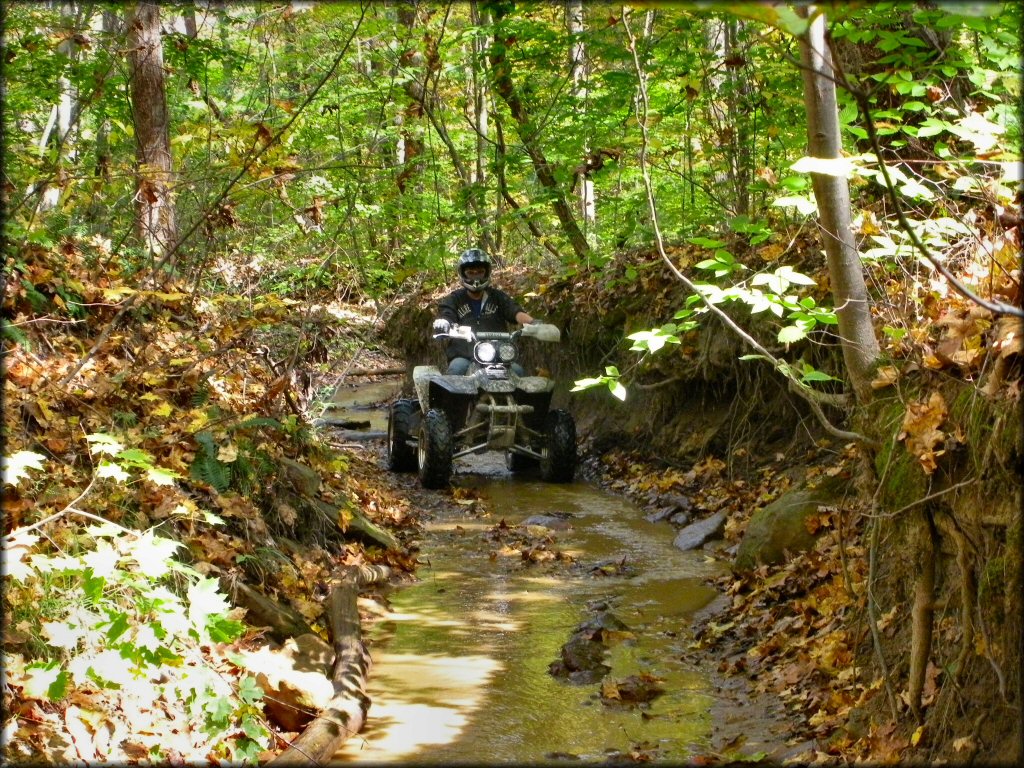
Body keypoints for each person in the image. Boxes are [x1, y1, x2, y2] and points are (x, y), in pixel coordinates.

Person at [432, 248, 534, 375]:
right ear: (463, 274)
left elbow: (514, 311)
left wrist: (534, 323)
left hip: (499, 357)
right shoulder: (455, 298)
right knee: (456, 370)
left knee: (518, 372)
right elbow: (447, 314)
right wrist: (444, 323)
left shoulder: (497, 297)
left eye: (480, 272)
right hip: (465, 356)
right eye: (471, 273)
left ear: (487, 273)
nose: (476, 276)